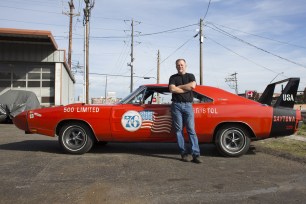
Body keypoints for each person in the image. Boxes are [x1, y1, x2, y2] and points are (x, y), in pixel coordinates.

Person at [168, 59, 201, 163]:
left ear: (185, 65)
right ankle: (184, 153)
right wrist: (186, 88)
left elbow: (192, 86)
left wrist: (179, 88)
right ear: (176, 66)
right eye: (178, 65)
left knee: (191, 130)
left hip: (188, 105)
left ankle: (196, 154)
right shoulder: (173, 77)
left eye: (182, 64)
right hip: (176, 106)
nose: (180, 66)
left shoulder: (190, 76)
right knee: (179, 130)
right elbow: (172, 89)